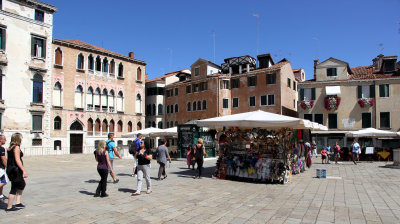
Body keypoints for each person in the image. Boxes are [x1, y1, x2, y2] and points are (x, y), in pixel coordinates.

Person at [6, 133, 28, 212]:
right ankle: (9, 207)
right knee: (14, 188)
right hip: (15, 170)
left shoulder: (10, 147)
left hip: (11, 169)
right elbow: (17, 160)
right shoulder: (16, 147)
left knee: (21, 184)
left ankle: (18, 202)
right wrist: (23, 170)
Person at [0, 135, 8, 200]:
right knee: (4, 181)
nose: (5, 140)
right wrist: (7, 167)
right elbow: (3, 159)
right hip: (0, 168)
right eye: (4, 139)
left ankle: (0, 195)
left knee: (1, 181)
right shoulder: (1, 148)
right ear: (1, 140)